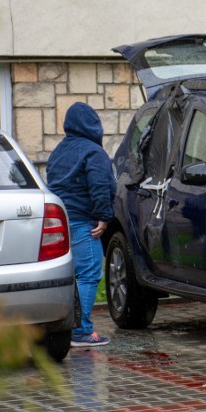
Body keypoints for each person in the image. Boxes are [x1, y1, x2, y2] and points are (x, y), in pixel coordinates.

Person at [47, 102, 116, 347]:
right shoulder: (93, 152)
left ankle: (62, 326)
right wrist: (103, 216)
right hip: (84, 222)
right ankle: (81, 330)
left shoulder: (59, 151)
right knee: (89, 273)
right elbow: (100, 185)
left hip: (60, 222)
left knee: (70, 276)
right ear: (93, 125)